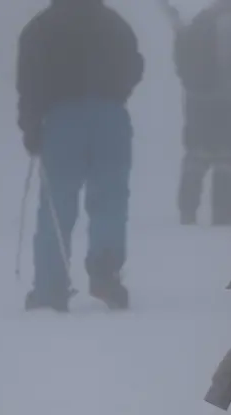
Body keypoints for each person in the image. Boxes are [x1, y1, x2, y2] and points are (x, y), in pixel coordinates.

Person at [17, 0, 144, 312]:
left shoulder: (40, 26)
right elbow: (135, 65)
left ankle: (50, 287)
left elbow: (29, 80)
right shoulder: (114, 23)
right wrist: (117, 92)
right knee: (111, 198)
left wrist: (31, 123)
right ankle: (105, 271)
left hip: (61, 118)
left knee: (57, 202)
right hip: (110, 114)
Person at [174, 0, 231, 226]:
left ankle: (187, 209)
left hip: (197, 97)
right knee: (228, 154)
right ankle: (224, 211)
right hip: (230, 97)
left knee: (197, 152)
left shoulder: (202, 18)